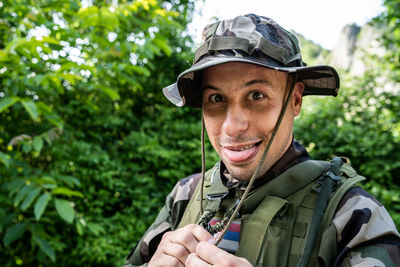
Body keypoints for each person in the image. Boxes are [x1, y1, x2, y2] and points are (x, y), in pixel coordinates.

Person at [124, 14, 400, 266]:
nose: (232, 128)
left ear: (294, 100)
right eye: (216, 98)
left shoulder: (348, 211)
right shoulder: (186, 195)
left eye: (256, 96)